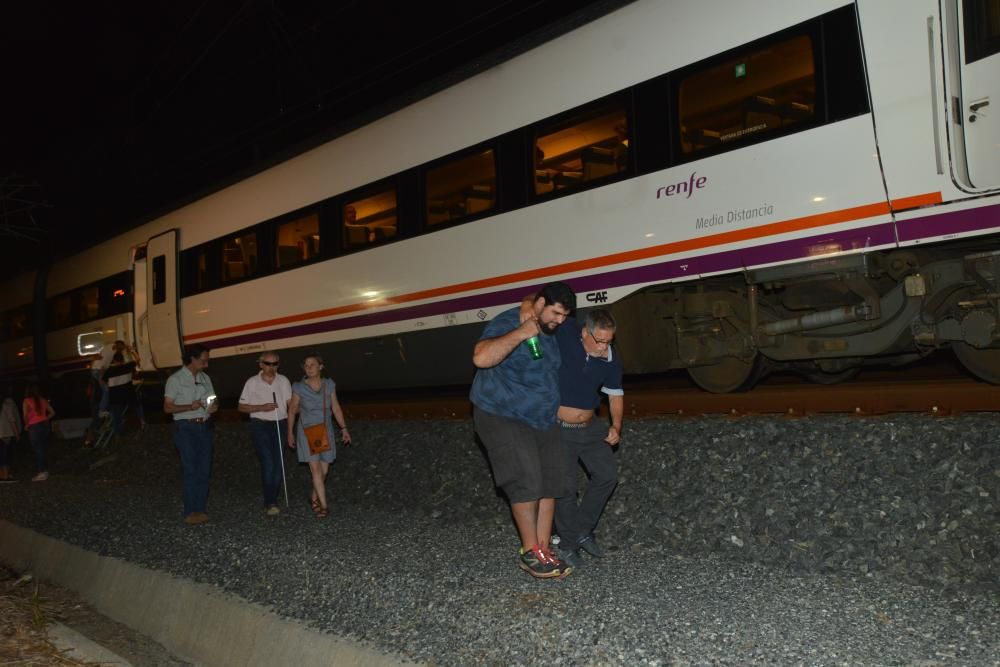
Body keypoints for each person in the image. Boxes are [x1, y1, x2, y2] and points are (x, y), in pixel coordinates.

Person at [470, 281, 576, 579]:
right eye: (555, 313)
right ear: (541, 305)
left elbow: (535, 301)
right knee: (526, 478)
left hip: (541, 418)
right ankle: (529, 551)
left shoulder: (550, 325)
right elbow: (480, 357)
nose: (560, 321)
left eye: (564, 316)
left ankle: (544, 549)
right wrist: (521, 333)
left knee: (552, 481)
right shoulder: (509, 321)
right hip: (502, 414)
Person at [518, 300, 625, 568]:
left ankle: (579, 531)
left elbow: (615, 396)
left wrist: (616, 427)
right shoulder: (568, 332)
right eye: (599, 341)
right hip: (560, 428)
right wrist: (525, 306)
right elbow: (542, 302)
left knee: (607, 475)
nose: (604, 347)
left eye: (609, 341)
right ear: (585, 333)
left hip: (590, 427)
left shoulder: (610, 358)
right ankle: (567, 544)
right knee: (564, 487)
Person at [287, 354, 351, 518]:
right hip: (308, 431)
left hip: (324, 431)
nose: (308, 368)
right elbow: (292, 410)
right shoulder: (299, 387)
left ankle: (313, 496)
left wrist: (343, 428)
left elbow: (335, 408)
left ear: (321, 367)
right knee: (315, 470)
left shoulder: (329, 385)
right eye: (306, 365)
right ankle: (324, 506)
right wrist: (290, 433)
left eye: (312, 365)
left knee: (324, 470)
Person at [163, 344, 218, 525]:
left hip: (204, 427)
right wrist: (189, 406)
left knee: (204, 469)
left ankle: (200, 509)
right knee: (191, 470)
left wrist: (213, 405)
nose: (206, 364)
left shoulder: (205, 378)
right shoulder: (175, 380)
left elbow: (212, 399)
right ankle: (190, 511)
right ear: (192, 359)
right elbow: (167, 407)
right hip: (185, 428)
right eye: (204, 360)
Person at [238, 352, 293, 516]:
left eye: (275, 364)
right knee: (268, 463)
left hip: (280, 423)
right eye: (268, 364)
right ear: (261, 364)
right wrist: (261, 407)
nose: (272, 367)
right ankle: (270, 502)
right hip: (260, 424)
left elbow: (291, 404)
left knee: (278, 464)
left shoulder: (283, 380)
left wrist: (294, 420)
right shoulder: (252, 382)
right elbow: (241, 407)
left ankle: (271, 498)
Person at [22, 384, 55, 482]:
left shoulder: (26, 400)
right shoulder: (43, 399)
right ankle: (44, 471)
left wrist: (26, 424)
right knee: (43, 447)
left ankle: (42, 472)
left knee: (37, 449)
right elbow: (53, 412)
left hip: (34, 426)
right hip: (45, 425)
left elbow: (25, 415)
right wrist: (45, 418)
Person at [103, 350, 138, 437]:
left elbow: (104, 381)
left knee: (116, 416)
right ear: (122, 360)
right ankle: (139, 426)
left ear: (114, 360)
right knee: (136, 409)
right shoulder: (128, 366)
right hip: (129, 395)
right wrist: (133, 351)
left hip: (115, 397)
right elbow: (138, 359)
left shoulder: (109, 371)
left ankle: (117, 434)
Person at [0, 388, 21, 481]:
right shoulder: (6, 405)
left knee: (2, 454)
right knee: (6, 454)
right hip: (6, 433)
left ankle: (3, 474)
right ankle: (5, 475)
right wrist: (17, 433)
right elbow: (12, 420)